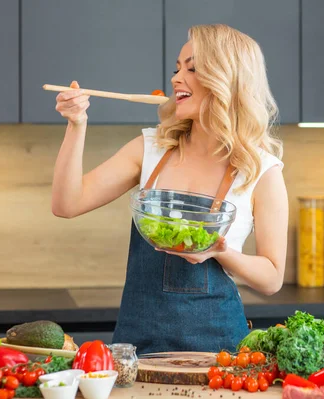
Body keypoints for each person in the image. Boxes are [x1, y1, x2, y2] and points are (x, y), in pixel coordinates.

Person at [51, 24, 288, 354]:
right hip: (136, 348)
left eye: (192, 68)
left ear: (226, 79)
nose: (177, 78)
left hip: (220, 353)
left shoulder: (261, 170)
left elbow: (272, 278)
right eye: (177, 68)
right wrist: (77, 125)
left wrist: (221, 252)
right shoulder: (150, 148)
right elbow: (66, 203)